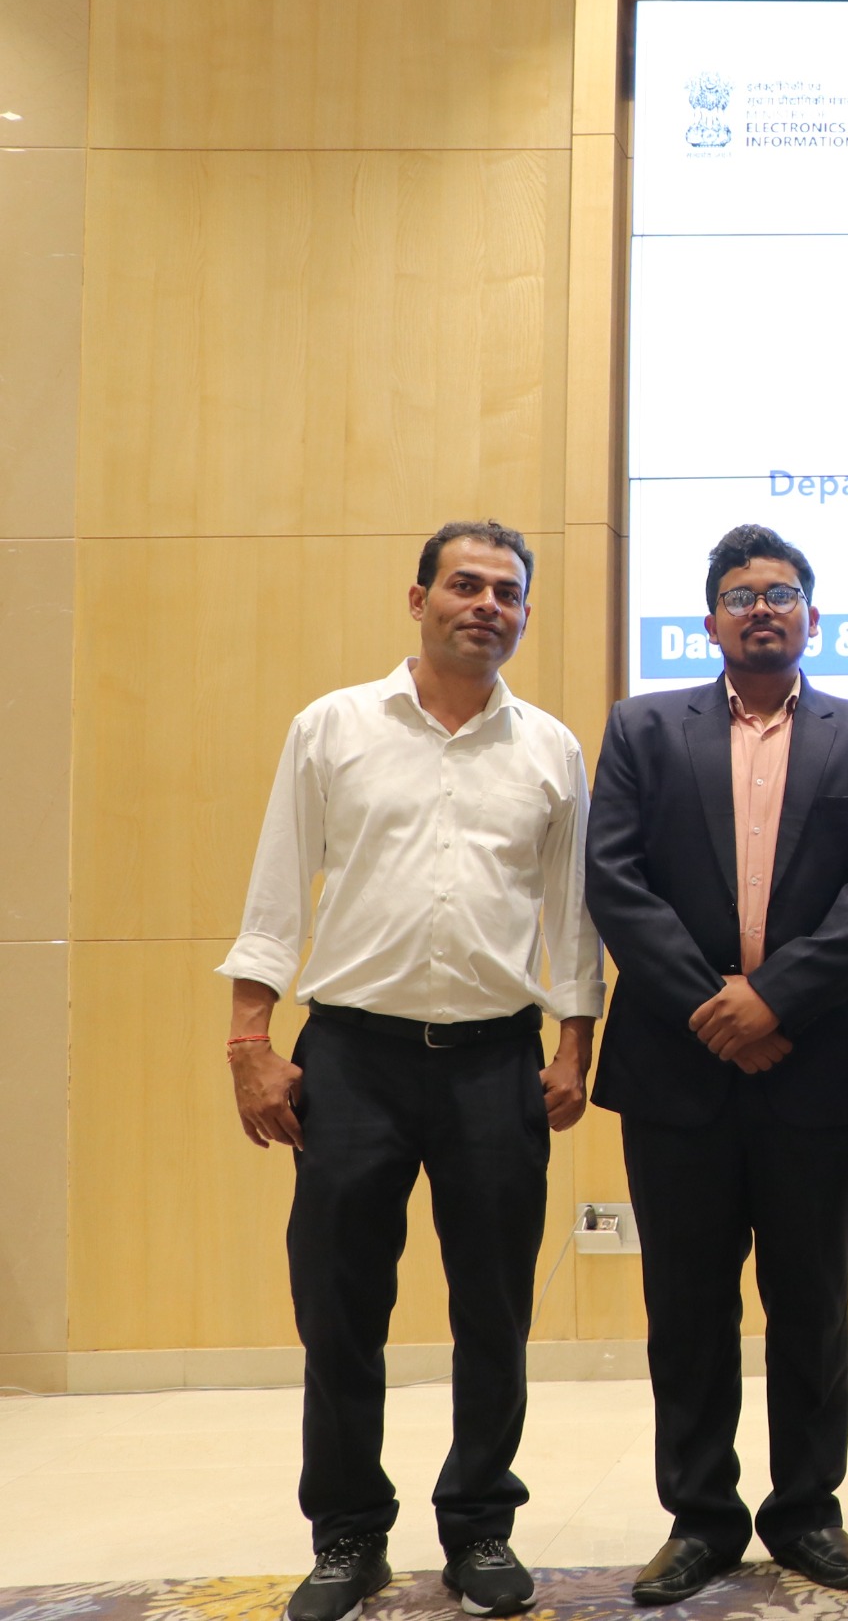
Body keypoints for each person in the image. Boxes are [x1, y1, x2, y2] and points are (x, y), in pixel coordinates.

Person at [218, 521, 603, 1621]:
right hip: (352, 1059)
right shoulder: (332, 726)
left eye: (507, 592)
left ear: (523, 614)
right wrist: (250, 1042)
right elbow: (277, 889)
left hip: (495, 1062)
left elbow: (574, 917)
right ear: (417, 598)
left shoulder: (550, 749)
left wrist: (574, 1045)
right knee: (340, 1305)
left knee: (495, 1306)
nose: (486, 605)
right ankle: (348, 1533)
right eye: (464, 584)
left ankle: (480, 1524)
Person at [584, 525, 848, 1603]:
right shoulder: (642, 728)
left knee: (810, 1300)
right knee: (686, 1306)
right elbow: (615, 880)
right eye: (740, 595)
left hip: (814, 1063)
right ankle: (702, 1518)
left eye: (780, 593)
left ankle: (807, 1510)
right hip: (675, 1066)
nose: (761, 609)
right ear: (710, 620)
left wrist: (773, 998)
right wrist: (714, 1003)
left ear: (812, 616)